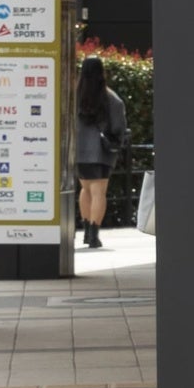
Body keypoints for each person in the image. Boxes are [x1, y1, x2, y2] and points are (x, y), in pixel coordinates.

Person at [72, 56, 126, 249]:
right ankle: (94, 235)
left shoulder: (74, 97)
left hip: (79, 151)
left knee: (85, 189)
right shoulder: (111, 98)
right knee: (98, 192)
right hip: (101, 152)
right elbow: (119, 126)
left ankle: (86, 231)